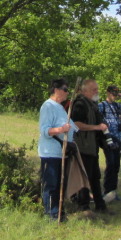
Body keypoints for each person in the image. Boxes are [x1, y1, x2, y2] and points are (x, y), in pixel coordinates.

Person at [38, 78, 77, 222]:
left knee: (61, 184)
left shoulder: (60, 107)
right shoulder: (48, 106)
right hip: (50, 153)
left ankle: (59, 212)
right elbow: (44, 130)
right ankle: (51, 214)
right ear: (56, 90)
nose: (68, 93)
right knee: (52, 184)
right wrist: (61, 129)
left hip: (61, 153)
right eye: (65, 89)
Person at [70, 79, 109, 212]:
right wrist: (97, 127)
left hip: (92, 147)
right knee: (84, 177)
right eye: (94, 90)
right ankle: (84, 206)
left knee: (95, 176)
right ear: (85, 90)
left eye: (97, 89)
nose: (97, 92)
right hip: (82, 147)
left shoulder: (92, 104)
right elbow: (76, 124)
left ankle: (100, 205)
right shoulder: (80, 104)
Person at [98, 84, 121, 202]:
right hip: (107, 138)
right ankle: (107, 190)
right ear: (108, 93)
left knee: (116, 165)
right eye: (113, 94)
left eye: (116, 94)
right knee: (111, 163)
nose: (115, 96)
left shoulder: (117, 106)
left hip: (118, 138)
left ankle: (113, 191)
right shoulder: (101, 106)